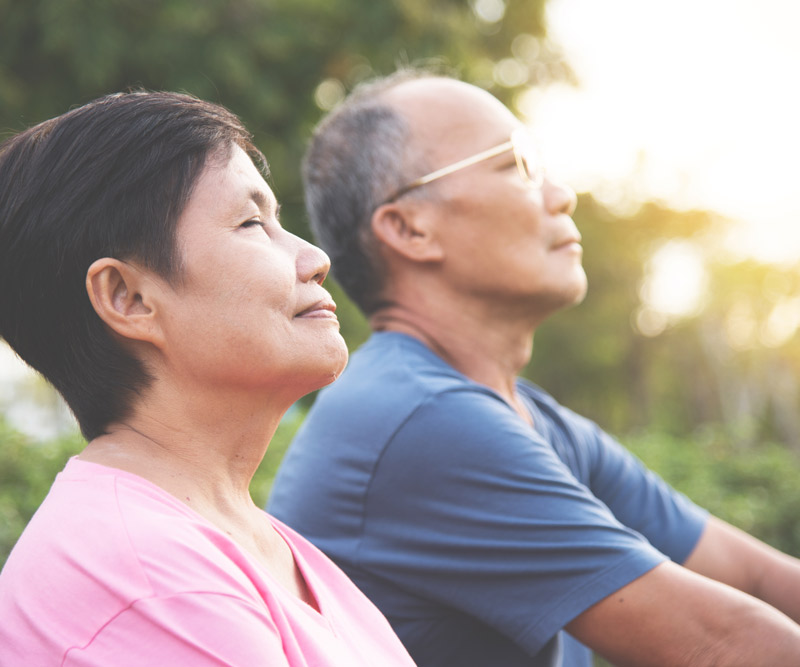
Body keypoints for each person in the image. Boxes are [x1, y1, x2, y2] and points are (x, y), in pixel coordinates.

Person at [268, 70, 800, 666]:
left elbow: (754, 577)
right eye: (514, 163)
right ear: (409, 228)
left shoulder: (526, 414)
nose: (560, 194)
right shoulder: (422, 422)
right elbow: (724, 644)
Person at [0, 91, 416, 666]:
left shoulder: (260, 546)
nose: (314, 257)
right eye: (251, 223)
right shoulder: (142, 576)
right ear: (129, 298)